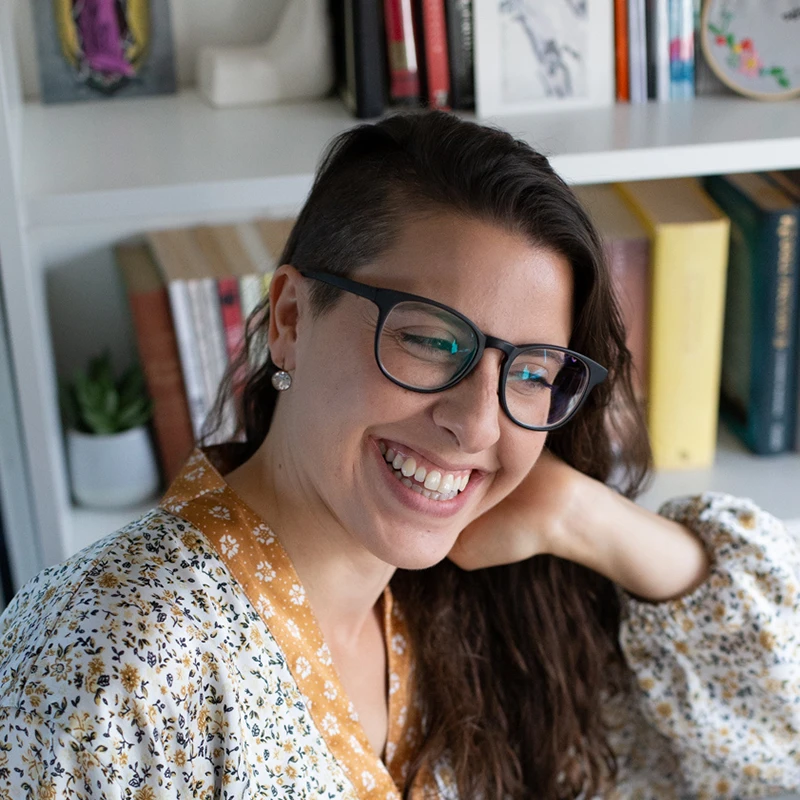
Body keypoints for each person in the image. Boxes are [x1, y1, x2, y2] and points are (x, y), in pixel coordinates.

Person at [1, 111, 798, 800]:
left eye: (530, 373)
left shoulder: (464, 610)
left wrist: (581, 515)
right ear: (289, 318)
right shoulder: (112, 660)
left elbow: (775, 751)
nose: (478, 424)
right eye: (427, 339)